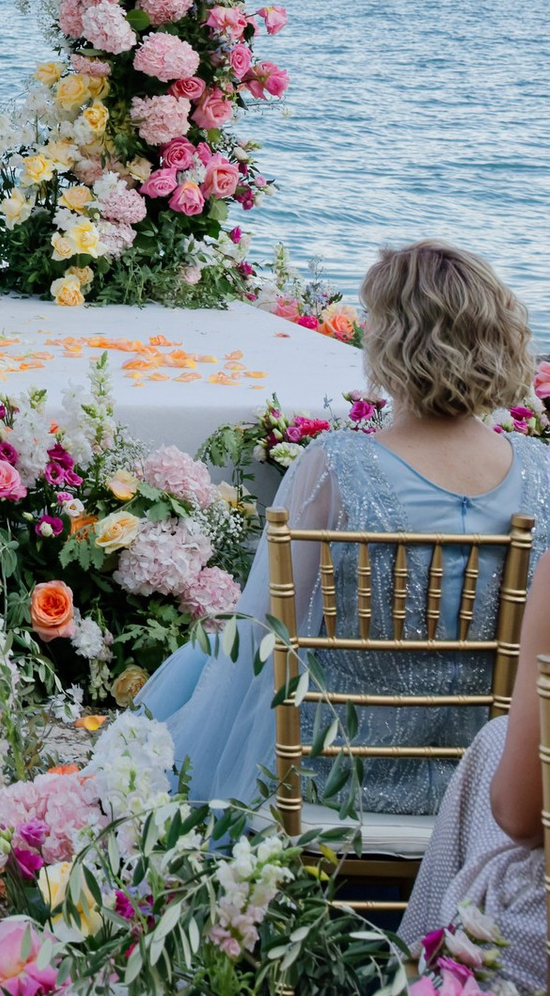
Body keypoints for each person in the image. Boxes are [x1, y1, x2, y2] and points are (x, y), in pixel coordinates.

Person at [143, 242, 548, 835]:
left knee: (207, 658)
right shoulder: (541, 472)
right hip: (488, 775)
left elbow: (266, 643)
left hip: (333, 772)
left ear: (388, 341)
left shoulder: (336, 463)